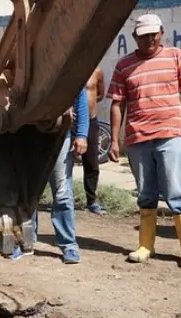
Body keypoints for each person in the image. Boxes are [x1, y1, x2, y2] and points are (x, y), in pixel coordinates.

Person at [107, 13, 181, 269]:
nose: (149, 39)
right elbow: (117, 103)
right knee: (146, 193)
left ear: (161, 33)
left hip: (169, 134)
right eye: (144, 35)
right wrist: (114, 140)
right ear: (135, 37)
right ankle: (146, 245)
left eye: (153, 34)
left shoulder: (175, 56)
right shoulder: (124, 65)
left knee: (175, 191)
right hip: (137, 138)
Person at [11, 87, 89, 264]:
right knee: (27, 193)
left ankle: (69, 245)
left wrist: (82, 135)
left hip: (60, 136)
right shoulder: (25, 67)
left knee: (62, 193)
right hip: (28, 136)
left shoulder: (68, 67)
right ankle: (27, 243)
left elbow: (80, 98)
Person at [83, 67, 105, 215]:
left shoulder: (97, 71)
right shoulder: (68, 69)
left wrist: (87, 105)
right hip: (70, 122)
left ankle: (91, 201)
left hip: (91, 121)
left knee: (91, 163)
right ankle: (62, 199)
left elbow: (100, 94)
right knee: (64, 163)